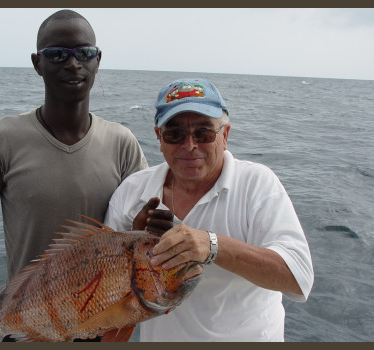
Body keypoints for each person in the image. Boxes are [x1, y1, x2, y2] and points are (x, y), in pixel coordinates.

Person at [0, 9, 148, 341]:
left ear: (98, 61)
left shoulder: (123, 143)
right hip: (27, 323)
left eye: (84, 53)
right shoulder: (1, 138)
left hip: (100, 325)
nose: (72, 64)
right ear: (38, 63)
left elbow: (138, 232)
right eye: (56, 54)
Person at [105, 78, 314, 341]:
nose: (189, 145)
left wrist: (212, 245)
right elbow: (105, 295)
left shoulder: (257, 184)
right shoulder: (132, 191)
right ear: (159, 138)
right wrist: (134, 243)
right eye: (174, 135)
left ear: (224, 135)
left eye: (203, 133)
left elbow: (299, 278)